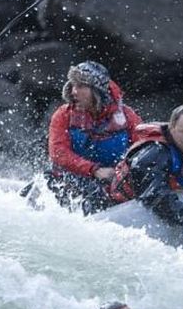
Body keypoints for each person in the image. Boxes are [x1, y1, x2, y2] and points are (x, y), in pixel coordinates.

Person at [109, 104, 183, 231]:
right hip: (123, 211)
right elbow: (157, 202)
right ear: (172, 128)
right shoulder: (154, 153)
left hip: (160, 203)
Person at [47, 61, 142, 214]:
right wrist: (94, 170)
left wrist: (121, 174)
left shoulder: (127, 117)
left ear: (97, 91)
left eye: (80, 86)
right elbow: (58, 152)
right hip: (70, 180)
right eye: (73, 85)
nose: (74, 92)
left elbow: (142, 151)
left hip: (113, 182)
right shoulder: (63, 115)